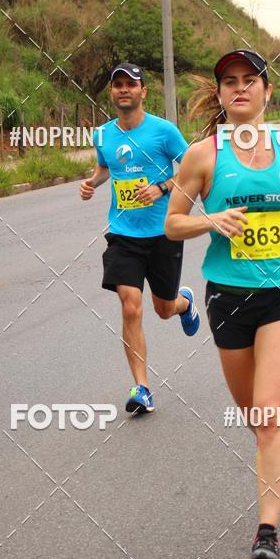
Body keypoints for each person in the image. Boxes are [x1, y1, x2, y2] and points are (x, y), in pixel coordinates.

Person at [165, 49, 280, 559]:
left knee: (267, 414)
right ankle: (277, 461)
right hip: (228, 295)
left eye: (250, 80)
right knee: (257, 420)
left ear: (267, 91)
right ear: (219, 96)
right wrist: (210, 221)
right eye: (229, 82)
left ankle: (268, 533)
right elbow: (173, 223)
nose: (240, 88)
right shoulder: (202, 155)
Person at [80, 63, 199, 415]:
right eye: (117, 85)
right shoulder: (102, 134)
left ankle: (183, 302)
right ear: (112, 92)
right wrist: (92, 183)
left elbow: (192, 172)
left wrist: (162, 187)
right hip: (123, 234)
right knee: (130, 305)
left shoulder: (164, 131)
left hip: (164, 232)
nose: (123, 90)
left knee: (163, 309)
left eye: (130, 85)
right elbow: (105, 168)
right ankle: (141, 387)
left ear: (143, 91)